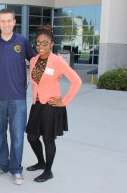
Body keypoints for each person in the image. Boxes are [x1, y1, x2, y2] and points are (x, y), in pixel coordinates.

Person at [26, 25, 82, 182]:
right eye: (38, 43)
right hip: (37, 104)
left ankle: (48, 171)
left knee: (48, 139)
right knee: (31, 136)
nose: (41, 46)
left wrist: (64, 101)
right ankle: (41, 162)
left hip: (52, 105)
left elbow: (76, 81)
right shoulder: (33, 61)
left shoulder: (57, 61)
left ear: (51, 44)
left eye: (45, 43)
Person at [0, 9, 36, 185]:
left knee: (17, 136)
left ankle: (16, 169)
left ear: (14, 22)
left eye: (9, 21)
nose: (6, 24)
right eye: (3, 21)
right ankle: (2, 165)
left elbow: (35, 61)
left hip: (18, 98)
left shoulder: (22, 41)